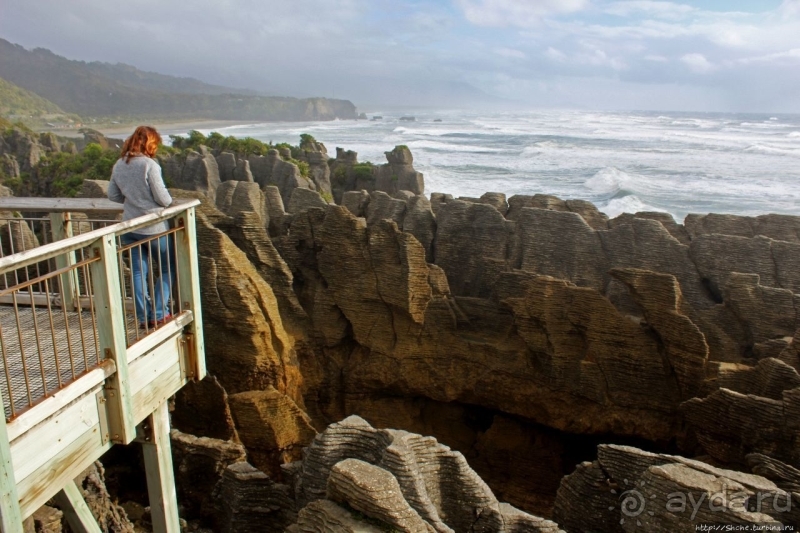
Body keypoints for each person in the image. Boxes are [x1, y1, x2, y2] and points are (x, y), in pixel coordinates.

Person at [108, 126, 174, 328]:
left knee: (138, 273)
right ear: (150, 144)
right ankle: (160, 313)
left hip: (129, 227)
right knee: (168, 268)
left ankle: (144, 317)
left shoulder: (119, 164)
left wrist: (133, 198)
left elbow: (113, 195)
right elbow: (164, 199)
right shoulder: (149, 165)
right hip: (153, 227)